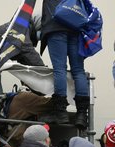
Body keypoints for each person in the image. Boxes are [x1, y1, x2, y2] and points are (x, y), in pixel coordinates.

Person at [39, 0, 90, 128]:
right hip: (76, 26)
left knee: (60, 69)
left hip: (55, 25)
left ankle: (60, 112)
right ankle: (82, 115)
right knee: (78, 71)